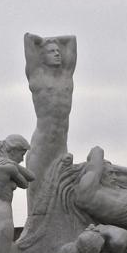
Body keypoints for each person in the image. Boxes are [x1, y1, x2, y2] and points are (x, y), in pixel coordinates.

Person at [23, 32, 77, 208]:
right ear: (42, 57)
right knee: (36, 193)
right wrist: (44, 42)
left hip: (61, 145)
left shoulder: (66, 76)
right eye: (51, 51)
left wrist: (54, 42)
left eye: (58, 51)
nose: (57, 53)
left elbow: (72, 39)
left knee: (61, 196)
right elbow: (28, 39)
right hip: (42, 144)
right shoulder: (37, 77)